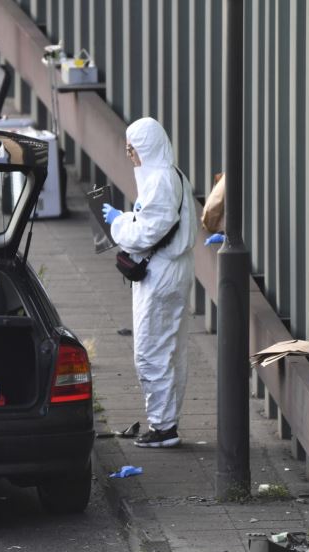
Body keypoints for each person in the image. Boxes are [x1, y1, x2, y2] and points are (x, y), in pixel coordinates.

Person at [100, 117, 197, 448]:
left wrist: (117, 223)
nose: (130, 155)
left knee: (151, 351)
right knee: (170, 350)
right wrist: (126, 218)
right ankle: (166, 421)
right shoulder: (172, 177)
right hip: (173, 269)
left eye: (134, 148)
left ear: (148, 147)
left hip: (161, 275)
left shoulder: (159, 182)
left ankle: (163, 427)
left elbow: (144, 233)